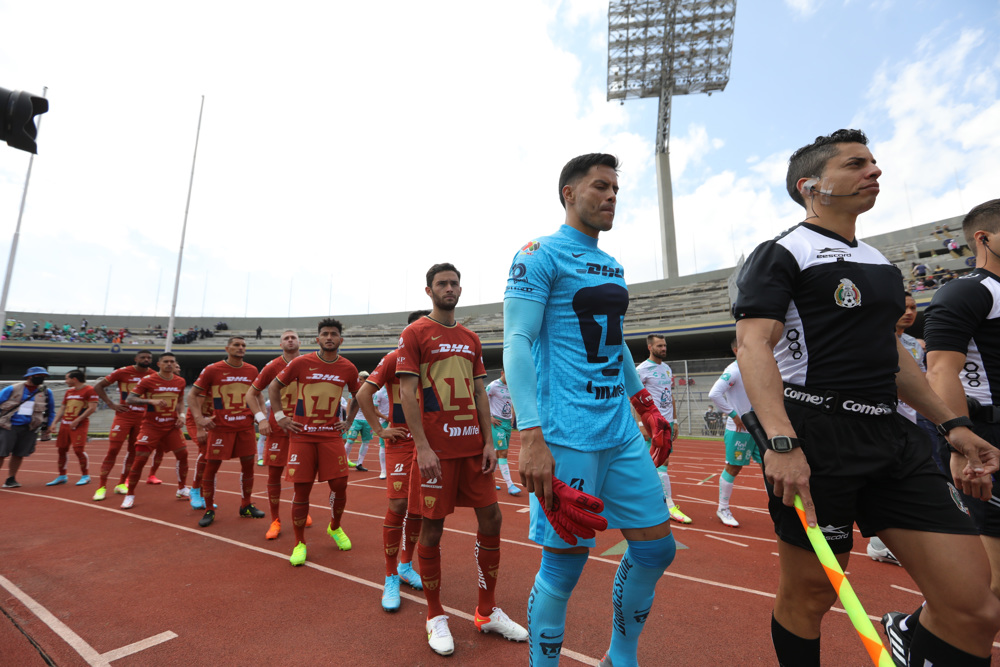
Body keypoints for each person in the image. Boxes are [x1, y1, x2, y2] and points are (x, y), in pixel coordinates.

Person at [733, 128, 1000, 666]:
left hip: (893, 442)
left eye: (874, 162)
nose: (873, 171)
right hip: (818, 438)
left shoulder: (879, 263)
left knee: (974, 608)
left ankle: (909, 642)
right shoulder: (783, 252)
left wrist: (954, 426)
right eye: (856, 164)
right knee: (811, 595)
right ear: (812, 186)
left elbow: (893, 357)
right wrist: (781, 442)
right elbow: (750, 343)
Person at [504, 154, 675, 667]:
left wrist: (643, 403)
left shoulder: (613, 265)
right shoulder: (539, 253)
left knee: (655, 549)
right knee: (563, 569)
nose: (611, 197)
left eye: (617, 189)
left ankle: (620, 658)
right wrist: (530, 434)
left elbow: (616, 341)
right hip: (566, 433)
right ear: (569, 194)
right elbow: (516, 339)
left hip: (619, 430)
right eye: (601, 187)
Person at [400, 263, 527, 656]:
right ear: (429, 290)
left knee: (492, 518)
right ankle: (435, 615)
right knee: (432, 529)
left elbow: (478, 395)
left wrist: (490, 442)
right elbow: (407, 394)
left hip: (473, 447)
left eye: (454, 283)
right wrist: (421, 447)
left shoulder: (471, 338)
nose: (450, 288)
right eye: (442, 283)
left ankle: (486, 611)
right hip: (437, 452)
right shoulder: (415, 333)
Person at [268, 318, 360, 565]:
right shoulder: (301, 362)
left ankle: (335, 526)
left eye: (334, 334)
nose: (329, 337)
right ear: (317, 339)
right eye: (325, 334)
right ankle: (299, 542)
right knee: (301, 489)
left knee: (340, 484)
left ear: (341, 339)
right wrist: (280, 417)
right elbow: (274, 388)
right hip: (302, 435)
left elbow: (358, 395)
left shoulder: (349, 368)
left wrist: (349, 421)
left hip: (330, 434)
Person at [355, 309, 429, 612]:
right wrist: (379, 430)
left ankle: (406, 564)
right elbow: (363, 394)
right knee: (398, 504)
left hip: (431, 442)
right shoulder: (393, 357)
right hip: (401, 441)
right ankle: (390, 576)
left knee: (419, 507)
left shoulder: (439, 358)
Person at [190, 336, 265, 527]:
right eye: (236, 345)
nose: (240, 348)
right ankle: (209, 509)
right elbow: (193, 395)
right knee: (211, 468)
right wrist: (199, 420)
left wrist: (263, 417)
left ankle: (246, 505)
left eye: (243, 346)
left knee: (248, 466)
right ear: (227, 348)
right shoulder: (213, 369)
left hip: (245, 428)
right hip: (220, 429)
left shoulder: (251, 370)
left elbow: (258, 395)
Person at [245, 329, 307, 540]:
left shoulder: (310, 363)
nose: (290, 341)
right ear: (281, 344)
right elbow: (251, 394)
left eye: (293, 338)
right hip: (279, 430)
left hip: (303, 429)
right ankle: (275, 519)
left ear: (300, 342)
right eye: (286, 338)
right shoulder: (272, 367)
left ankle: (302, 511)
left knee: (302, 475)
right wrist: (261, 419)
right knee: (274, 475)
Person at [120, 352, 189, 509]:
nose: (169, 364)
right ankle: (130, 494)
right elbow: (130, 399)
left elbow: (180, 401)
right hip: (151, 426)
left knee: (183, 455)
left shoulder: (180, 381)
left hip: (171, 426)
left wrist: (182, 415)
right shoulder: (148, 380)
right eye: (166, 361)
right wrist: (150, 400)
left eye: (172, 361)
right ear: (159, 364)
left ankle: (182, 488)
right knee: (140, 459)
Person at [637, 334, 689, 523]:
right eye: (660, 345)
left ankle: (648, 501)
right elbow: (634, 397)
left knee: (655, 463)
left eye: (665, 345)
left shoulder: (667, 369)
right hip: (652, 423)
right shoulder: (642, 370)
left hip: (667, 423)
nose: (664, 348)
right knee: (661, 462)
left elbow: (670, 395)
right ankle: (668, 505)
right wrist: (642, 424)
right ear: (650, 347)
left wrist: (674, 420)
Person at [707, 339, 759, 528]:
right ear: (736, 350)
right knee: (734, 468)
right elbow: (714, 394)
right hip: (740, 430)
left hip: (759, 428)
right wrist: (734, 415)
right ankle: (723, 508)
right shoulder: (734, 370)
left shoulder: (756, 367)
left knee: (770, 467)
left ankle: (782, 510)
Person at [92, 351, 157, 500]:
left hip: (143, 418)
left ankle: (122, 483)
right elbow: (98, 386)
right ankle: (101, 486)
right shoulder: (123, 371)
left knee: (133, 452)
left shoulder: (154, 375)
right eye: (143, 357)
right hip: (124, 416)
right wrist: (110, 404)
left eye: (149, 358)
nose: (146, 360)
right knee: (113, 449)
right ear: (136, 359)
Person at [0, 367, 55, 488]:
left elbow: (51, 411)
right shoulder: (12, 389)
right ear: (29, 376)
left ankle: (11, 478)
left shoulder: (46, 392)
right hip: (8, 426)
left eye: (44, 376)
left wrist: (49, 425)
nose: (42, 379)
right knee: (1, 453)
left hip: (30, 428)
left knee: (19, 454)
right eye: (39, 376)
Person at [47, 370, 98, 487]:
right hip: (65, 424)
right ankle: (62, 476)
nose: (65, 381)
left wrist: (77, 420)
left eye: (67, 379)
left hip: (79, 424)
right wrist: (54, 422)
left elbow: (92, 408)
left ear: (74, 379)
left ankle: (85, 476)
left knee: (78, 450)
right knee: (61, 450)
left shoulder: (90, 390)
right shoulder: (69, 392)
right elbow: (63, 408)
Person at [486, 369, 521, 496]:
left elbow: (513, 402)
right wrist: (489, 417)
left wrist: (513, 415)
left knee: (496, 452)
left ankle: (488, 481)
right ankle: (510, 485)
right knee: (503, 452)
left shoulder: (512, 386)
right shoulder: (493, 386)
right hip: (497, 424)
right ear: (502, 373)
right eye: (508, 374)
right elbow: (481, 399)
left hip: (507, 424)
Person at [343, 372, 375, 472]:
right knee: (350, 440)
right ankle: (344, 460)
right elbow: (349, 405)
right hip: (356, 419)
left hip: (367, 420)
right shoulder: (353, 391)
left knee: (366, 442)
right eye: (359, 379)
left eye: (361, 379)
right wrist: (348, 419)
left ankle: (360, 463)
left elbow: (373, 406)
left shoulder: (372, 391)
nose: (359, 381)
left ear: (366, 380)